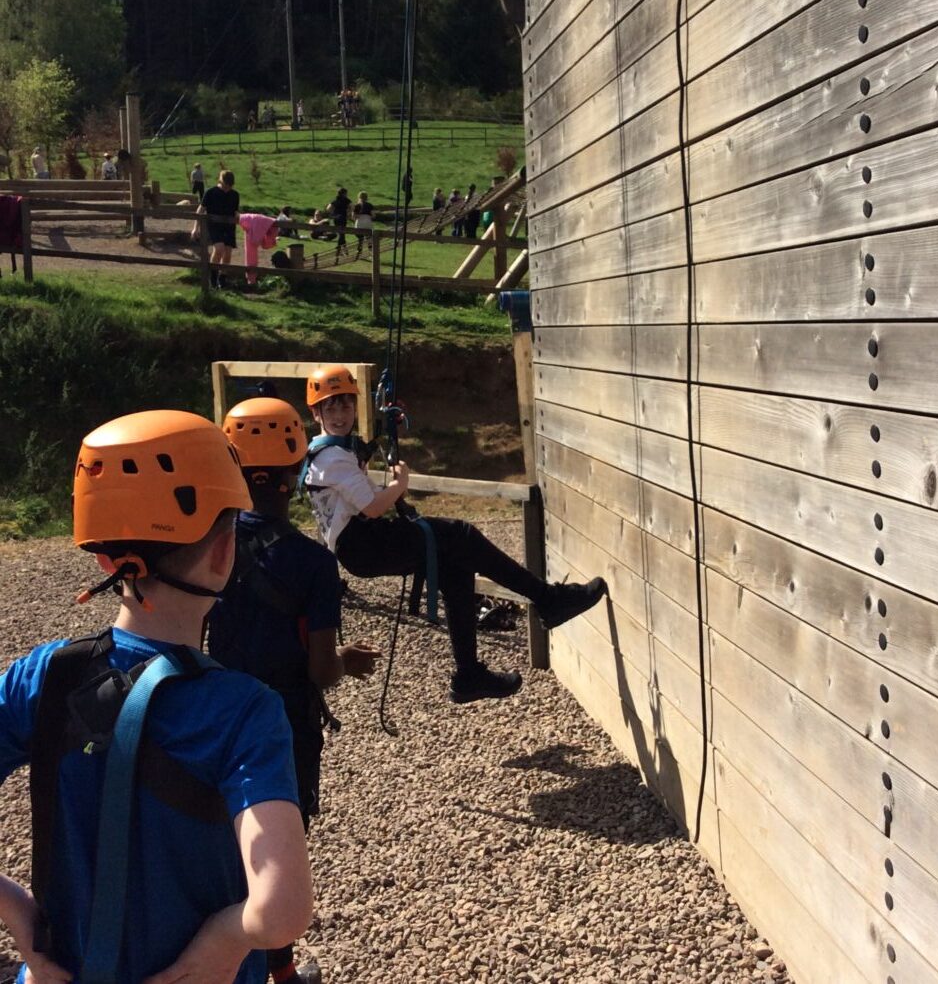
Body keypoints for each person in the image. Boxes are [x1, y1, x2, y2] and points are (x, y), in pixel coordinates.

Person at [0, 410, 312, 984]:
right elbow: (282, 911)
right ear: (224, 554)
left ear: (102, 557)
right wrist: (226, 938)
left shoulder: (40, 676)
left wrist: (18, 914)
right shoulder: (246, 710)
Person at [303, 365, 607, 704]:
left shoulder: (332, 451)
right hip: (365, 544)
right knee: (460, 534)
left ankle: (468, 674)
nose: (340, 415)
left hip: (363, 545)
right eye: (331, 408)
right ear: (315, 413)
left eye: (346, 406)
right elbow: (373, 507)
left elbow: (361, 499)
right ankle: (547, 599)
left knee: (454, 565)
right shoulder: (332, 458)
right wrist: (399, 485)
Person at [210, 398, 379, 984]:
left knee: (221, 838)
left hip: (216, 709)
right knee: (274, 851)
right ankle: (278, 974)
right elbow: (321, 670)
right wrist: (346, 662)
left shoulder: (209, 546)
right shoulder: (312, 563)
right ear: (295, 472)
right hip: (282, 718)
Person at [198, 169, 239, 288]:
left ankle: (223, 279)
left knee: (228, 253)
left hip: (229, 227)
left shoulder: (235, 195)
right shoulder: (210, 192)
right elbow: (201, 210)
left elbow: (235, 211)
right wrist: (196, 227)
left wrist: (240, 217)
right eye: (226, 185)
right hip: (214, 226)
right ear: (221, 181)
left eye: (230, 186)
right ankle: (213, 278)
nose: (227, 188)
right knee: (219, 249)